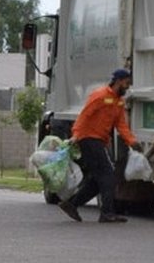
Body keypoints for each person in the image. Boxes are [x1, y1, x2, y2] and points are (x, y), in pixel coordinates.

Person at [58, 68, 142, 223]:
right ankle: (107, 213)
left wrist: (132, 141)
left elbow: (121, 125)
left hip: (99, 141)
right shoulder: (100, 95)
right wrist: (76, 135)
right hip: (88, 139)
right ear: (118, 81)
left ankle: (72, 204)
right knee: (108, 174)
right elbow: (84, 116)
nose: (128, 86)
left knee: (98, 180)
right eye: (126, 83)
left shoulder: (118, 102)